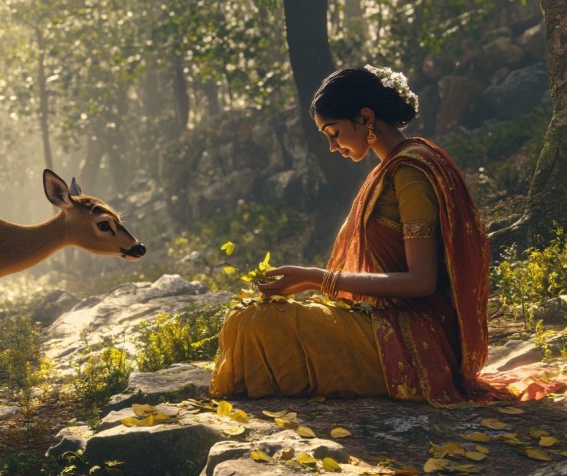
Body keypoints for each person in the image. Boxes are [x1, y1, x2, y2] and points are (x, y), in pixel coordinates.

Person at [209, 66, 493, 403]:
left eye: (334, 132)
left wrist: (319, 278)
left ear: (365, 117)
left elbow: (421, 282)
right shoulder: (394, 168)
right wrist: (311, 281)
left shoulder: (410, 173)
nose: (332, 146)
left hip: (417, 342)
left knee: (254, 325)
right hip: (389, 319)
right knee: (249, 319)